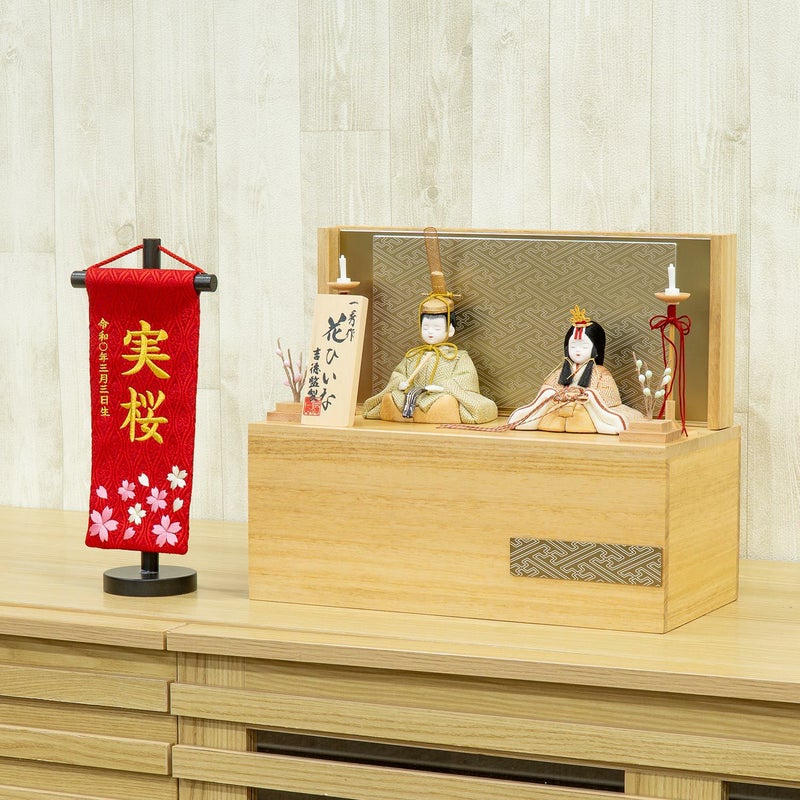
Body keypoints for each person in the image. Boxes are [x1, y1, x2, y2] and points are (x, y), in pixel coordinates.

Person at [362, 227, 497, 425]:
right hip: (413, 396)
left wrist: (443, 387)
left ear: (450, 330)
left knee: (446, 402)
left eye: (436, 328)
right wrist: (401, 382)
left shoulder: (458, 357)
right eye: (426, 328)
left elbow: (466, 379)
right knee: (391, 398)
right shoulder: (413, 355)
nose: (430, 333)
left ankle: (432, 411)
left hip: (439, 395)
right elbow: (398, 374)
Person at [507, 307, 642, 434]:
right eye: (573, 346)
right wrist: (556, 395)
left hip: (586, 409)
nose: (578, 351)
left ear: (596, 349)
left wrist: (587, 396)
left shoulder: (600, 373)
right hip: (559, 408)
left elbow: (609, 396)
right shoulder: (560, 372)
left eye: (584, 347)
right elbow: (547, 389)